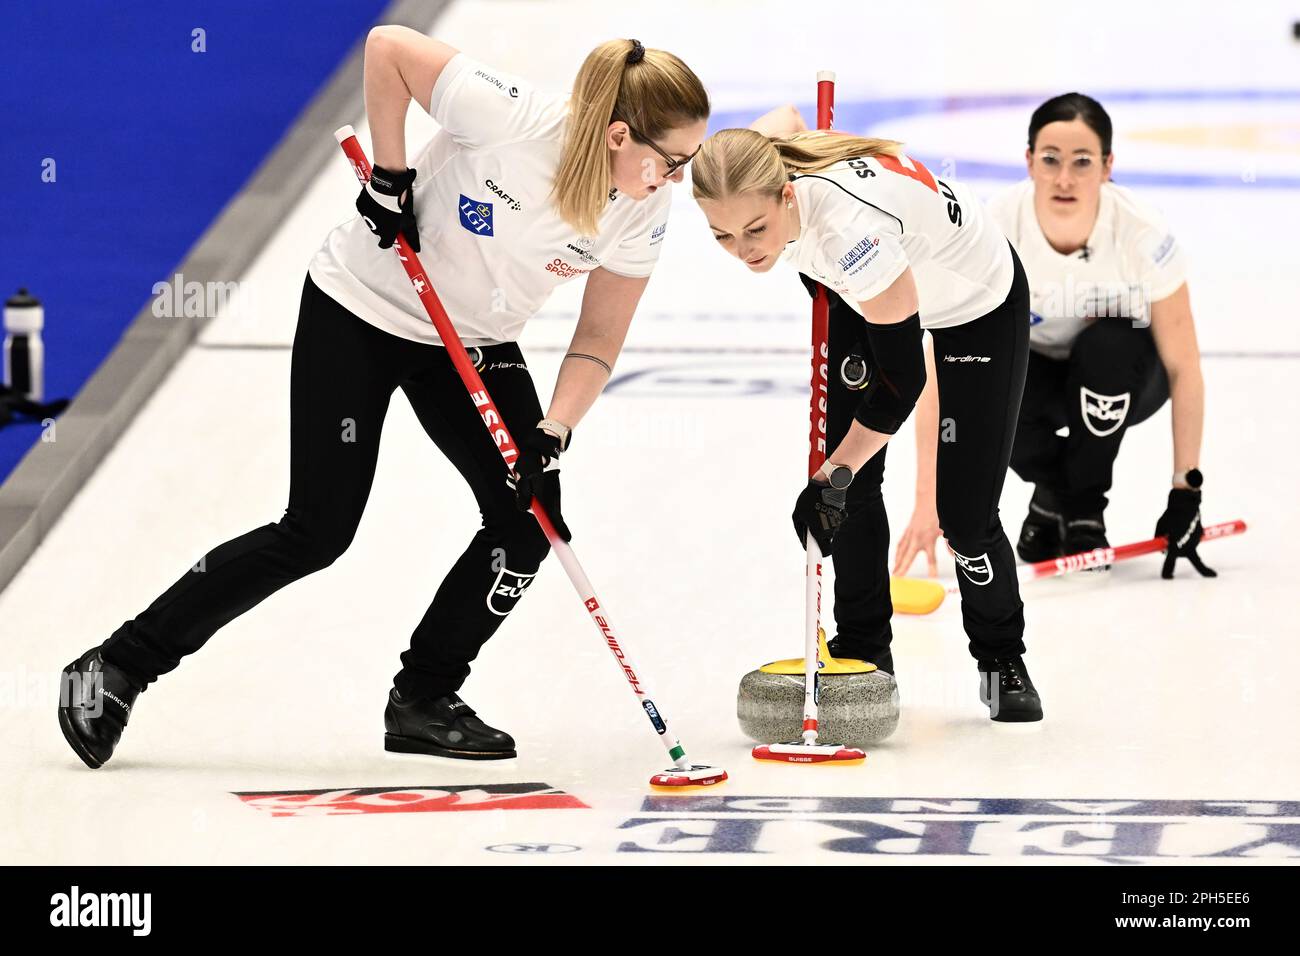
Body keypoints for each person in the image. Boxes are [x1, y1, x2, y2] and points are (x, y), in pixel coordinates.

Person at [58, 29, 710, 768]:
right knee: (318, 529)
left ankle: (424, 698)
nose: (677, 180)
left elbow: (597, 336)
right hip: (361, 309)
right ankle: (117, 664)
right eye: (672, 161)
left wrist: (554, 429)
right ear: (618, 134)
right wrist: (390, 177)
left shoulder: (640, 209)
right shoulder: (518, 119)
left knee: (529, 522)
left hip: (471, 342)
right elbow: (388, 48)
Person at [691, 116, 1042, 722]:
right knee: (849, 484)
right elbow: (783, 122)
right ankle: (864, 654)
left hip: (973, 301)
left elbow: (904, 383)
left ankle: (1000, 658)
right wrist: (840, 477)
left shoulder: (853, 233)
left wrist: (833, 477)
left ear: (786, 193)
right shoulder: (757, 172)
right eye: (722, 236)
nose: (745, 250)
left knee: (963, 515)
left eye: (756, 230)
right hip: (867, 293)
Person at [893, 93, 1213, 579]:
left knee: (1107, 346)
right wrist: (928, 502)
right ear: (1029, 162)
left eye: (1082, 162)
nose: (1065, 178)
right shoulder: (993, 232)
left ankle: (1084, 508)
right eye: (1051, 160)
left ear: (1107, 166)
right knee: (984, 374)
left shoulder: (1142, 234)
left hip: (1125, 380)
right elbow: (942, 371)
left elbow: (1184, 367)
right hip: (1032, 380)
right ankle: (1056, 499)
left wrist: (1185, 490)